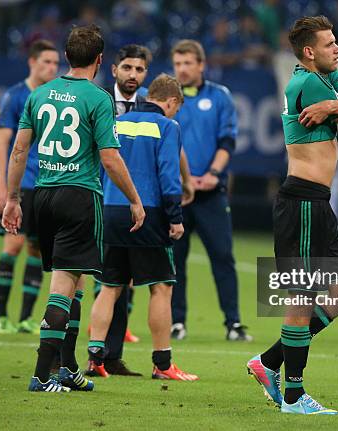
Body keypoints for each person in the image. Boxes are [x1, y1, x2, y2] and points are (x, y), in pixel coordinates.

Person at [2, 24, 145, 393]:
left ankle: (68, 368)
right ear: (100, 60)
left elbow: (19, 150)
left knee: (76, 281)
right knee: (65, 286)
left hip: (43, 195)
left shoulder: (40, 94)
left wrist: (13, 197)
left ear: (66, 57)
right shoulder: (98, 99)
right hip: (79, 197)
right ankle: (40, 375)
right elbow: (110, 159)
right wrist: (133, 198)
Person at [246, 16, 338, 415]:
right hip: (301, 202)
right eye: (330, 43)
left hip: (319, 204)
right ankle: (293, 397)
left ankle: (268, 361)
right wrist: (334, 103)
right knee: (302, 298)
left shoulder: (322, 80)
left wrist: (332, 106)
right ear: (309, 51)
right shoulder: (307, 82)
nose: (337, 48)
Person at [87, 73, 198, 381]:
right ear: (171, 102)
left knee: (110, 287)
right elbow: (168, 174)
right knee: (161, 287)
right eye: (177, 107)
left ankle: (96, 358)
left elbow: (101, 165)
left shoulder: (117, 123)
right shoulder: (168, 125)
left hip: (111, 209)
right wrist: (175, 217)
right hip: (147, 212)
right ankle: (163, 364)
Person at [169, 39, 251, 341]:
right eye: (178, 64)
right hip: (177, 193)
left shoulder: (220, 97)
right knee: (175, 261)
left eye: (188, 63)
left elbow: (227, 142)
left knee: (222, 256)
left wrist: (214, 174)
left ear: (201, 65)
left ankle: (233, 323)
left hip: (209, 193)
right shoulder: (167, 100)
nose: (182, 69)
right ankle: (177, 322)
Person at [86, 44, 153, 378]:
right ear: (113, 69)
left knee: (121, 281)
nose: (133, 75)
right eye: (127, 68)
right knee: (88, 280)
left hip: (130, 203)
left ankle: (110, 357)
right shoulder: (98, 100)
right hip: (96, 198)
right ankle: (68, 355)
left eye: (139, 70)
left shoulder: (148, 108)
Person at [0, 40, 59, 335]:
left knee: (37, 249)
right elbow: (3, 143)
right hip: (22, 184)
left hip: (47, 183)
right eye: (46, 62)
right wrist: (2, 188)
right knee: (14, 244)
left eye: (56, 63)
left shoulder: (55, 97)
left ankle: (25, 318)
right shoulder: (16, 96)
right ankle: (0, 316)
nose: (52, 68)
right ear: (32, 62)